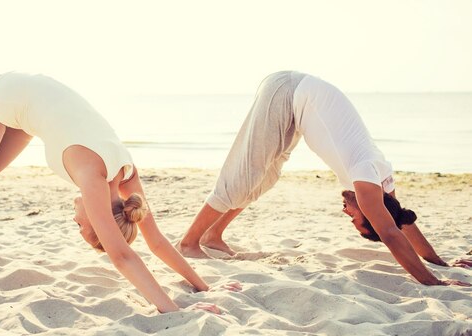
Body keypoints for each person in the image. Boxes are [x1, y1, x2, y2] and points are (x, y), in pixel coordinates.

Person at [0, 71, 241, 313]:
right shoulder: (93, 179)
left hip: (28, 107)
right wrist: (174, 309)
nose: (75, 222)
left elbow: (158, 242)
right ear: (98, 218)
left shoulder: (126, 176)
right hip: (4, 94)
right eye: (82, 227)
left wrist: (204, 287)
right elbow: (125, 255)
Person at [177, 71, 471, 286]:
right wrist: (436, 283)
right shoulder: (366, 176)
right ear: (369, 210)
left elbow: (402, 222)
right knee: (245, 175)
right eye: (355, 219)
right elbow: (392, 234)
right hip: (287, 92)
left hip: (294, 100)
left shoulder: (380, 177)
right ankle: (190, 242)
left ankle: (212, 236)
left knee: (264, 178)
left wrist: (440, 262)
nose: (346, 213)